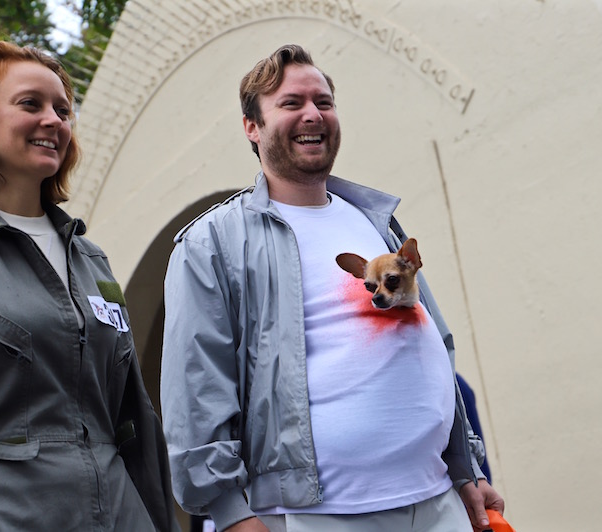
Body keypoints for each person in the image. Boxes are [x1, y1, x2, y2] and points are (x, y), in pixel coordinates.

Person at [160, 44, 505, 532]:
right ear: (252, 128)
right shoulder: (211, 242)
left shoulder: (376, 221)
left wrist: (464, 469)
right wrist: (231, 515)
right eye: (291, 103)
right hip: (316, 515)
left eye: (323, 101)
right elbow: (196, 387)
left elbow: (431, 346)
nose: (312, 114)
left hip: (436, 499)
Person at [0, 40, 177, 531]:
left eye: (63, 110)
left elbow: (135, 421)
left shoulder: (92, 260)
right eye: (31, 104)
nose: (54, 121)